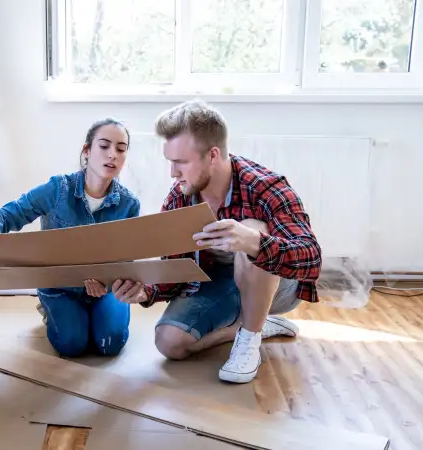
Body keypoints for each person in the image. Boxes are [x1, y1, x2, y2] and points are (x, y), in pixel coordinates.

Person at [111, 99, 322, 384]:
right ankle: (255, 326)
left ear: (212, 155)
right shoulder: (181, 197)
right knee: (169, 343)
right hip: (219, 284)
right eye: (170, 161)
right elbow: (176, 268)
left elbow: (311, 257)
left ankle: (249, 339)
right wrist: (145, 292)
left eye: (181, 162)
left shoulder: (264, 187)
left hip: (275, 285)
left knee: (253, 227)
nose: (173, 172)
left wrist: (254, 242)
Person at [0, 118, 141, 358]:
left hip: (106, 289)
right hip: (61, 288)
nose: (112, 154)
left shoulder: (129, 204)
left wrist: (109, 283)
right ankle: (54, 310)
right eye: (104, 146)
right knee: (72, 345)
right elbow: (12, 212)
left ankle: (95, 316)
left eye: (121, 149)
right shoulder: (58, 189)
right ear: (87, 151)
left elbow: (128, 260)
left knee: (109, 344)